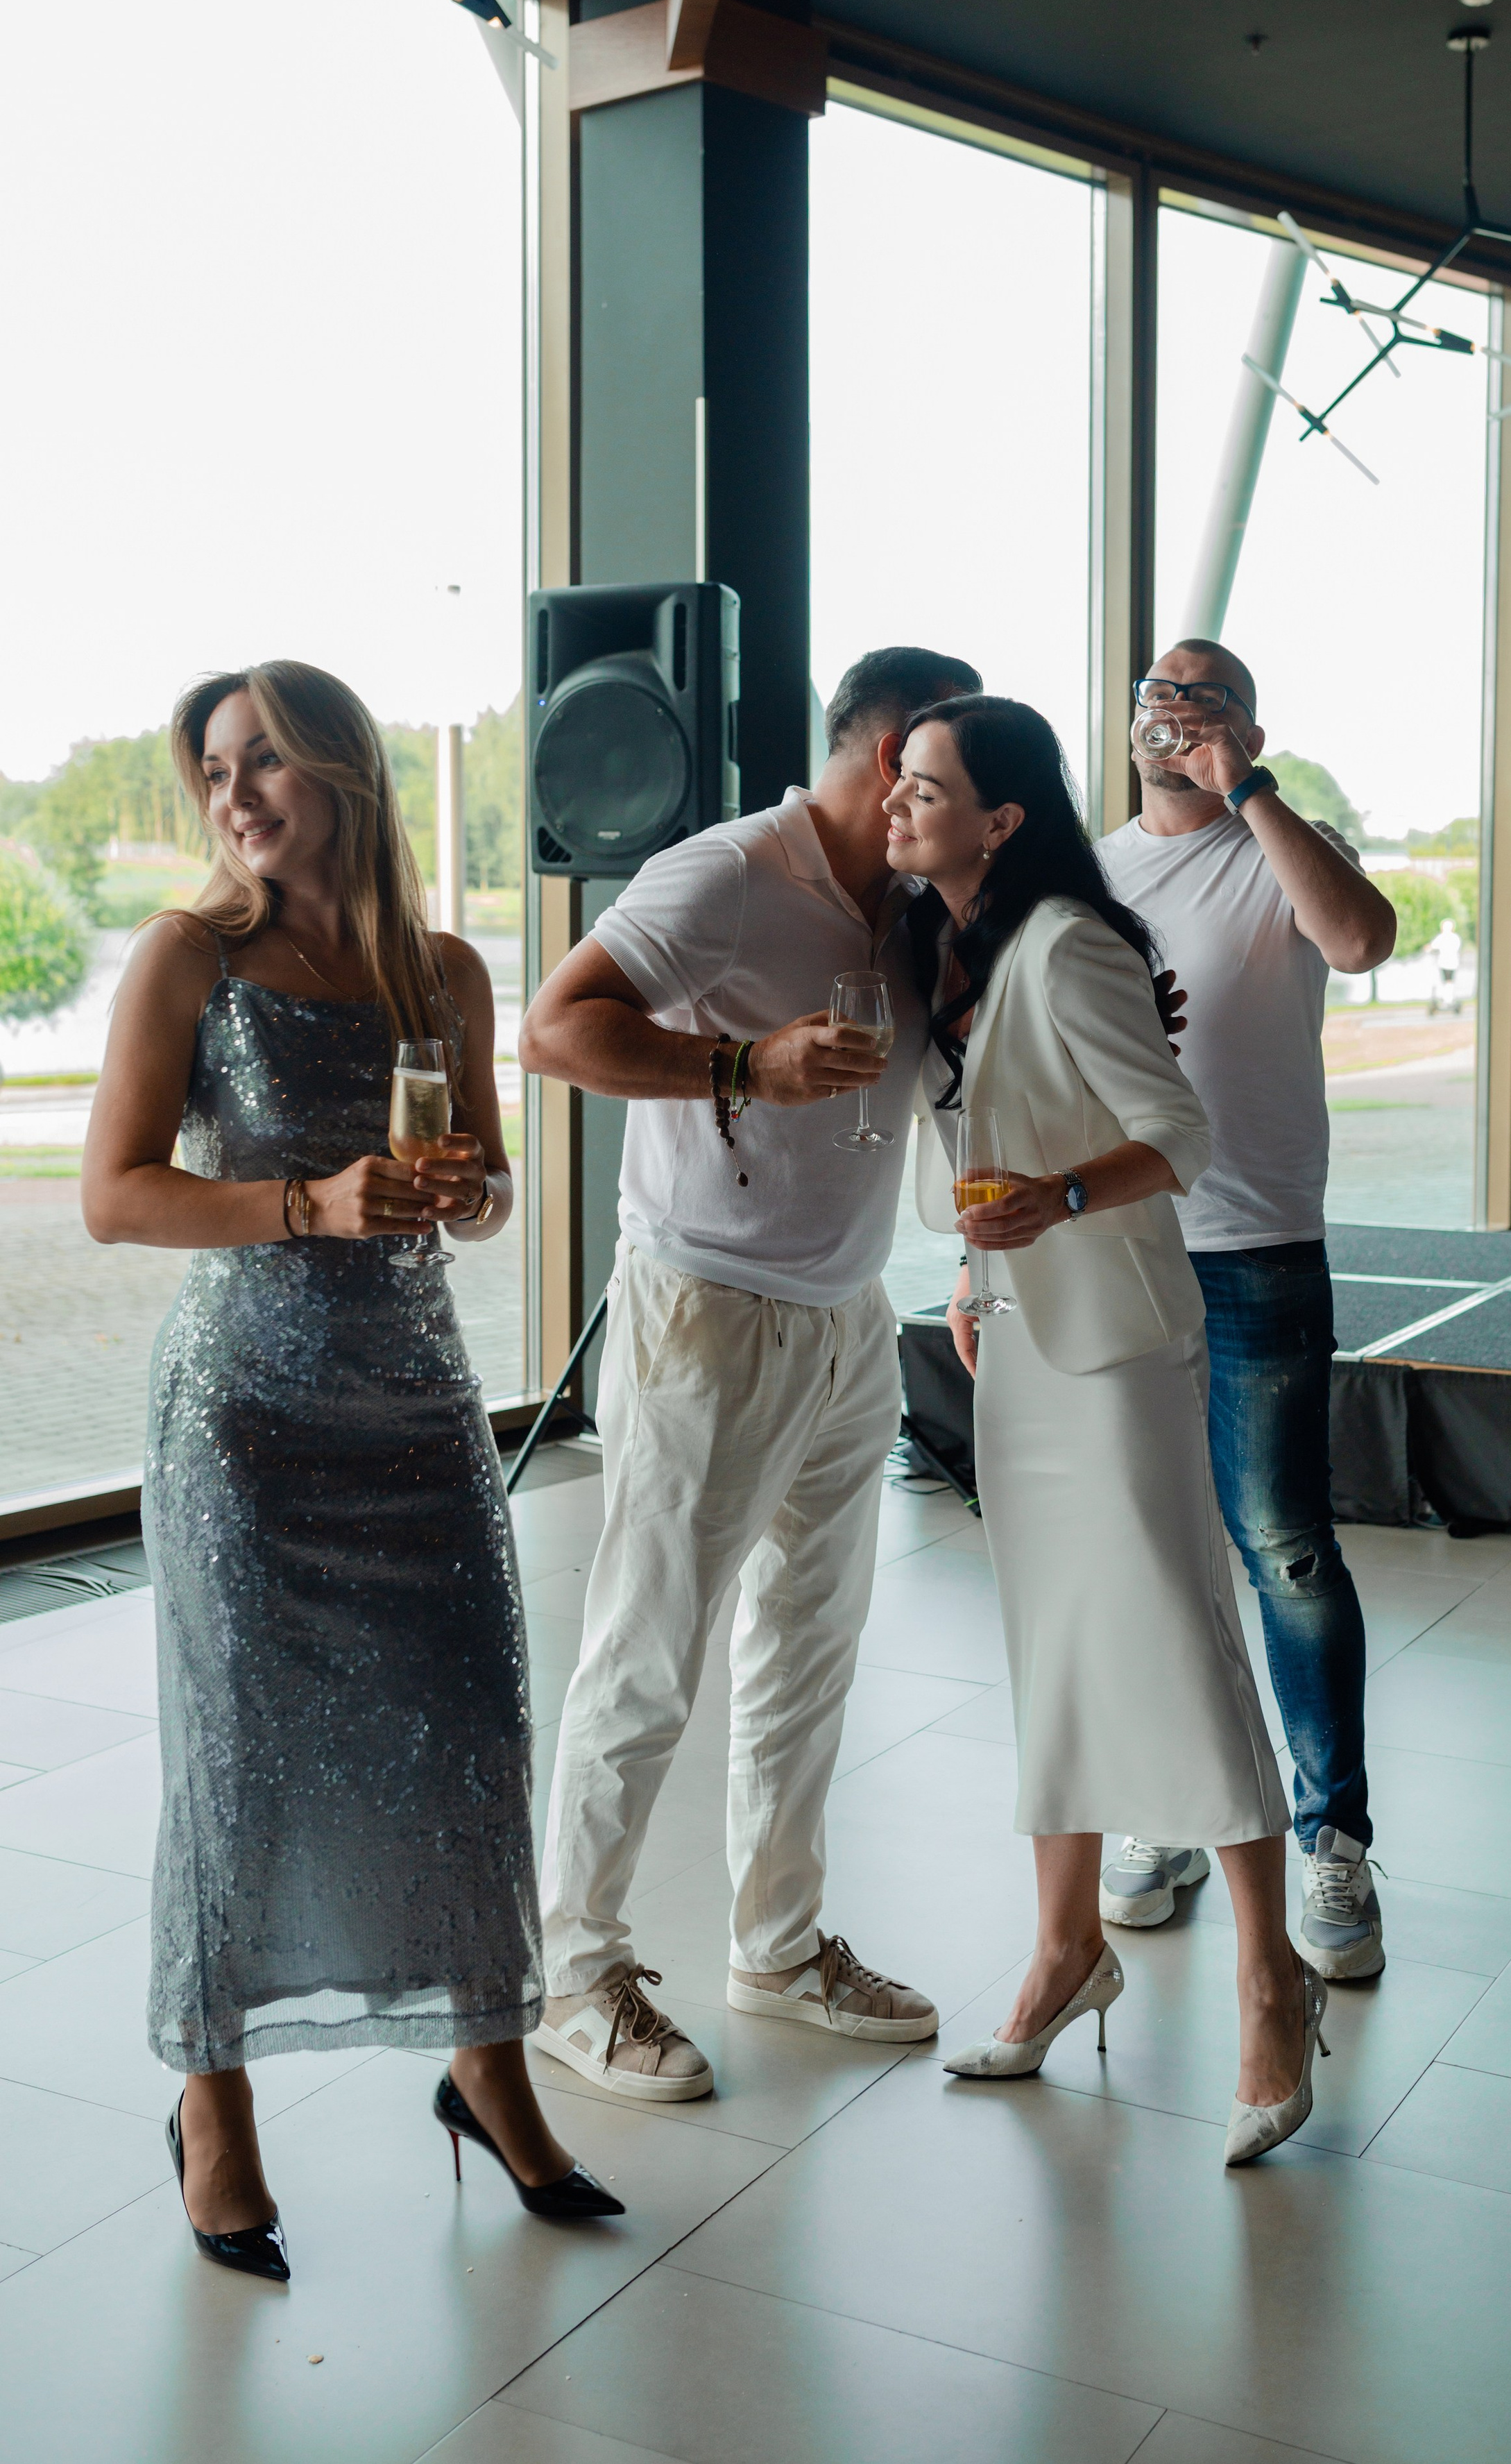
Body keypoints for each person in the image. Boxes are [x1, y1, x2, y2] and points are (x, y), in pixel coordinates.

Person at [80, 663, 619, 2282]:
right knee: (239, 1759)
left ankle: (485, 2063)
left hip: (413, 1411)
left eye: (263, 765)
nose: (233, 796)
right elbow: (114, 1194)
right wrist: (306, 1203)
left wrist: (463, 1190)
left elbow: (491, 1191)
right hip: (243, 1413)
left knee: (466, 1740)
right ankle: (212, 2099)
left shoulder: (443, 971)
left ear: (342, 772)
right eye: (213, 772)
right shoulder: (192, 957)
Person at [519, 646, 983, 2101]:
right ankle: (573, 1977)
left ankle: (774, 1948)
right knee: (648, 1655)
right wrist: (742, 1068)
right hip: (704, 1315)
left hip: (849, 1317)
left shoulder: (913, 902)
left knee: (806, 1644)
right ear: (897, 744)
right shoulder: (723, 872)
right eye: (955, 765)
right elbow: (552, 1027)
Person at [896, 695, 1320, 2161]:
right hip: (1016, 1340)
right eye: (894, 782)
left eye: (925, 786)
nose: (898, 804)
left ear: (1000, 818)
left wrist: (1060, 1202)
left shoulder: (1066, 944)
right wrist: (975, 1255)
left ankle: (1272, 1982)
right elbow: (985, 1132)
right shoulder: (939, 948)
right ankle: (1062, 1949)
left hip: (1120, 1349)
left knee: (1177, 1642)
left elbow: (1173, 1135)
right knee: (1051, 1655)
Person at [1093, 638, 1398, 1980]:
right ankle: (1168, 1806)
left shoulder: (1282, 840)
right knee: (1153, 1550)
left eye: (1204, 697)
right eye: (1160, 694)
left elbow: (1362, 939)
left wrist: (1253, 787)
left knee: (1283, 1546)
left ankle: (1333, 1837)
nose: (1175, 712)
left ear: (1244, 725)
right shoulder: (1091, 872)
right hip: (1121, 1244)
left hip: (1260, 1244)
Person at [1430, 915, 1464, 1016]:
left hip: (1451, 963)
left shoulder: (1453, 938)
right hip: (1443, 963)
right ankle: (1445, 998)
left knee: (1449, 981)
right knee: (1445, 981)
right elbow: (1433, 946)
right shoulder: (1443, 937)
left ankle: (1448, 1000)